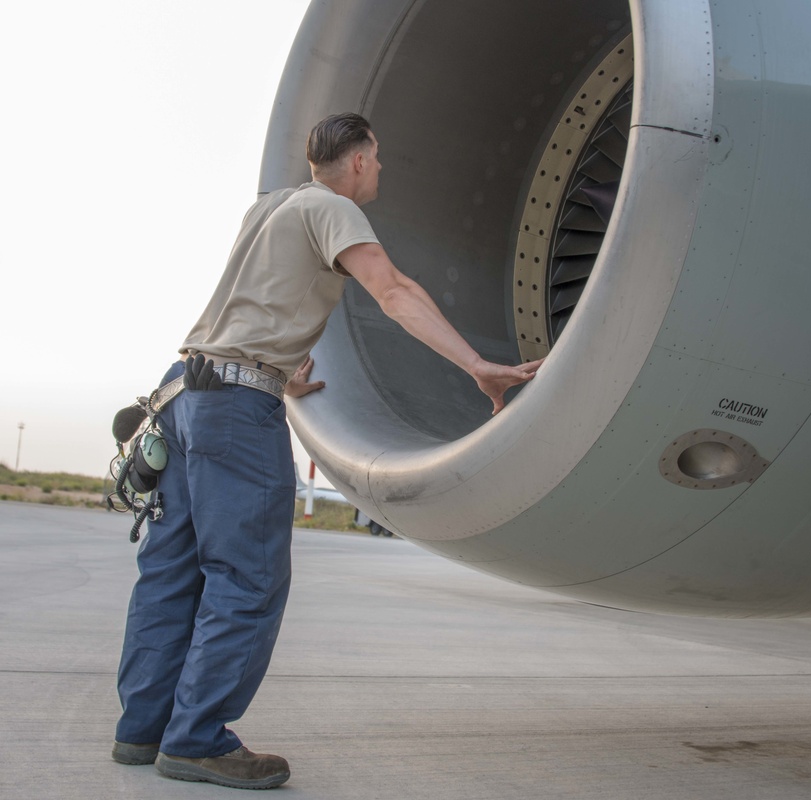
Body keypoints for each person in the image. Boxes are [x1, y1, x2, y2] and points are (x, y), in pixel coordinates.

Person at [112, 112, 543, 790]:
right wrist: (477, 366)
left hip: (181, 398)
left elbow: (256, 307)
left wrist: (281, 372)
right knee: (246, 579)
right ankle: (196, 740)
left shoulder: (270, 209)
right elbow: (394, 291)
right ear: (361, 161)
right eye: (379, 159)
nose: (380, 170)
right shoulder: (334, 209)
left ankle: (140, 731)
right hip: (234, 408)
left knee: (170, 574)